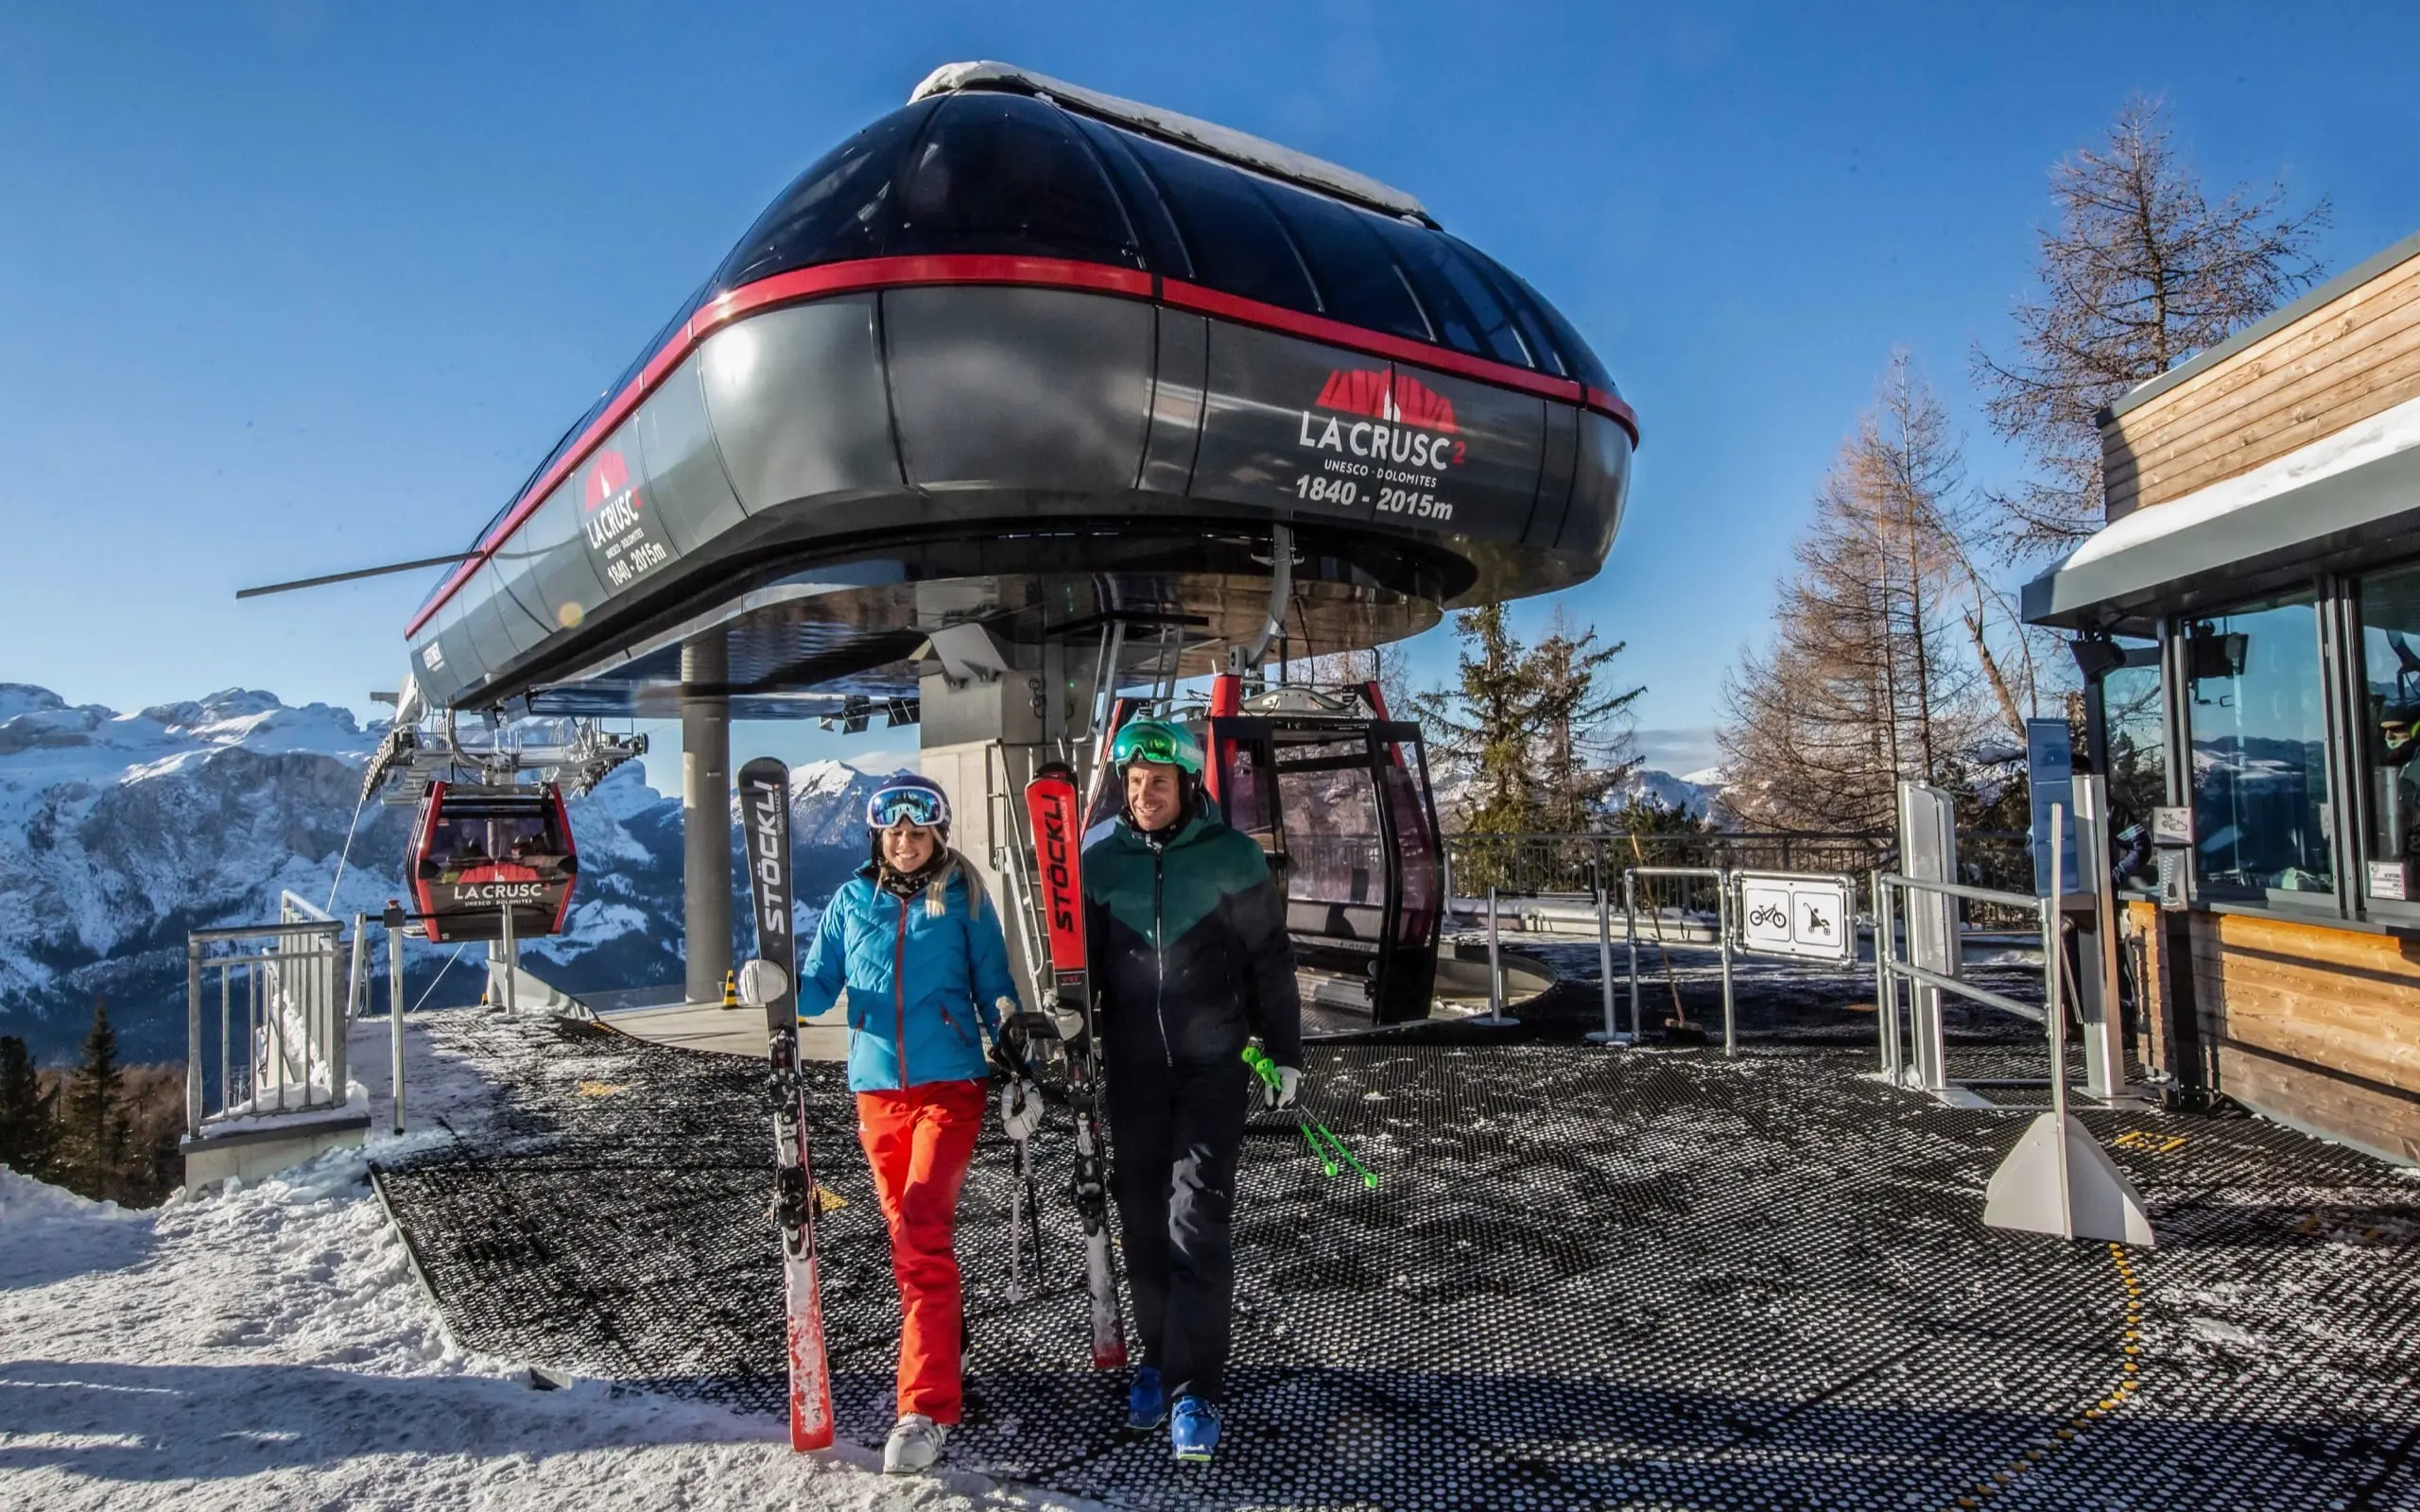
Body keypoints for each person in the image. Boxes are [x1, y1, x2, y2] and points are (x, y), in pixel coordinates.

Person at [1081, 718, 1303, 1465]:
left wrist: (1285, 1051)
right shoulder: (1099, 862)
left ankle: (1195, 1388)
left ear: (1187, 786)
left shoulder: (1232, 858)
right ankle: (1157, 1359)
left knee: (1194, 1223)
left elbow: (1272, 960)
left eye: (1158, 784)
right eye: (1134, 784)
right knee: (1141, 1222)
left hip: (1214, 1068)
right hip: (1132, 1069)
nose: (1144, 796)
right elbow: (1084, 972)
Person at [796, 774, 1024, 1475]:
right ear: (877, 835)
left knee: (922, 1230)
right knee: (908, 1241)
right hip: (875, 1091)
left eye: (917, 831)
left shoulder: (964, 898)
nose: (904, 841)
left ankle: (923, 1408)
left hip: (949, 1086)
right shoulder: (848, 901)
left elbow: (996, 988)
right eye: (893, 831)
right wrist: (767, 981)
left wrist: (1020, 1051)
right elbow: (816, 987)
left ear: (937, 835)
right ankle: (944, 1354)